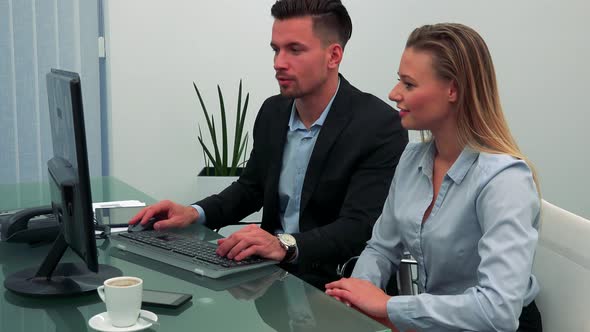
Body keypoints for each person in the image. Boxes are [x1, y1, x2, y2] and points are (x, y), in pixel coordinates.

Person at [130, 0, 407, 290]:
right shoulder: (273, 112)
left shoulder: (379, 126)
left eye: (295, 50)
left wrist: (285, 245)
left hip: (334, 286)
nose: (279, 62)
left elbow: (360, 226)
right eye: (276, 49)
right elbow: (250, 189)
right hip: (267, 280)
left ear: (333, 55)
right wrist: (195, 213)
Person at [325, 23, 543, 332]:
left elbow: (497, 311)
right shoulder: (412, 159)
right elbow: (381, 248)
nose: (393, 94)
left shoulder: (504, 181)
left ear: (452, 89)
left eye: (409, 84)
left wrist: (388, 306)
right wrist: (356, 294)